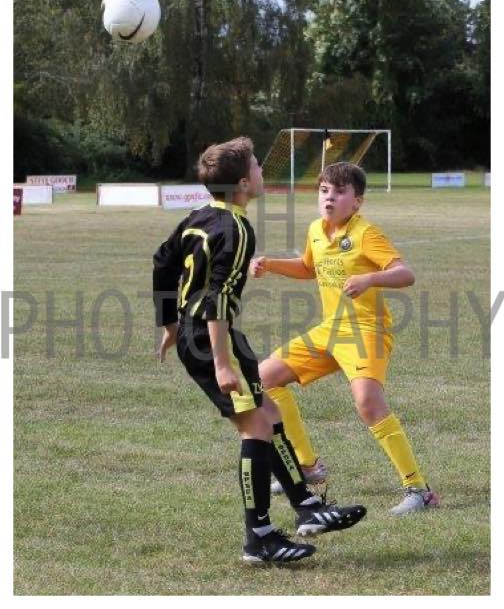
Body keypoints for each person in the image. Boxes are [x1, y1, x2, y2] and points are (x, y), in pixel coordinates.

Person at [153, 139, 366, 564]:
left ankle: (307, 507)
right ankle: (260, 538)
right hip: (210, 338)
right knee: (255, 429)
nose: (262, 170)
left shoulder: (199, 217)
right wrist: (221, 363)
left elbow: (162, 262)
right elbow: (218, 299)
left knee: (269, 411)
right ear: (243, 183)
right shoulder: (236, 230)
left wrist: (171, 325)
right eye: (256, 165)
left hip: (203, 333)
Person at [250, 161, 439, 516]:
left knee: (368, 403)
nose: (329, 198)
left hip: (367, 331)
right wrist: (270, 264)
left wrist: (370, 279)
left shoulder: (366, 233)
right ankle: (307, 467)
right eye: (324, 191)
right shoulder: (316, 230)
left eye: (339, 192)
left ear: (357, 202)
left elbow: (405, 273)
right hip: (330, 330)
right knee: (264, 378)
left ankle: (419, 490)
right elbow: (309, 267)